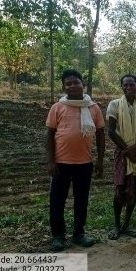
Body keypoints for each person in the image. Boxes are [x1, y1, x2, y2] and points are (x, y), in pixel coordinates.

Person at [46, 68, 105, 251]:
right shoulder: (58, 107)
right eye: (68, 83)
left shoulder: (93, 108)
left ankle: (79, 233)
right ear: (64, 87)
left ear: (83, 84)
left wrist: (101, 161)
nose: (72, 86)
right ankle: (58, 236)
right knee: (57, 200)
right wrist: (51, 161)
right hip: (61, 163)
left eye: (75, 82)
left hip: (84, 163)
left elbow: (101, 135)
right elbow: (49, 136)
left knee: (81, 200)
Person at [106, 73, 136, 239]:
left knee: (135, 189)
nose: (128, 88)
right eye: (125, 85)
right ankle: (117, 226)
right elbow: (111, 131)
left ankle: (127, 225)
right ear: (122, 87)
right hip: (122, 152)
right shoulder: (115, 105)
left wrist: (135, 148)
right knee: (119, 189)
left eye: (131, 85)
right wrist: (128, 150)